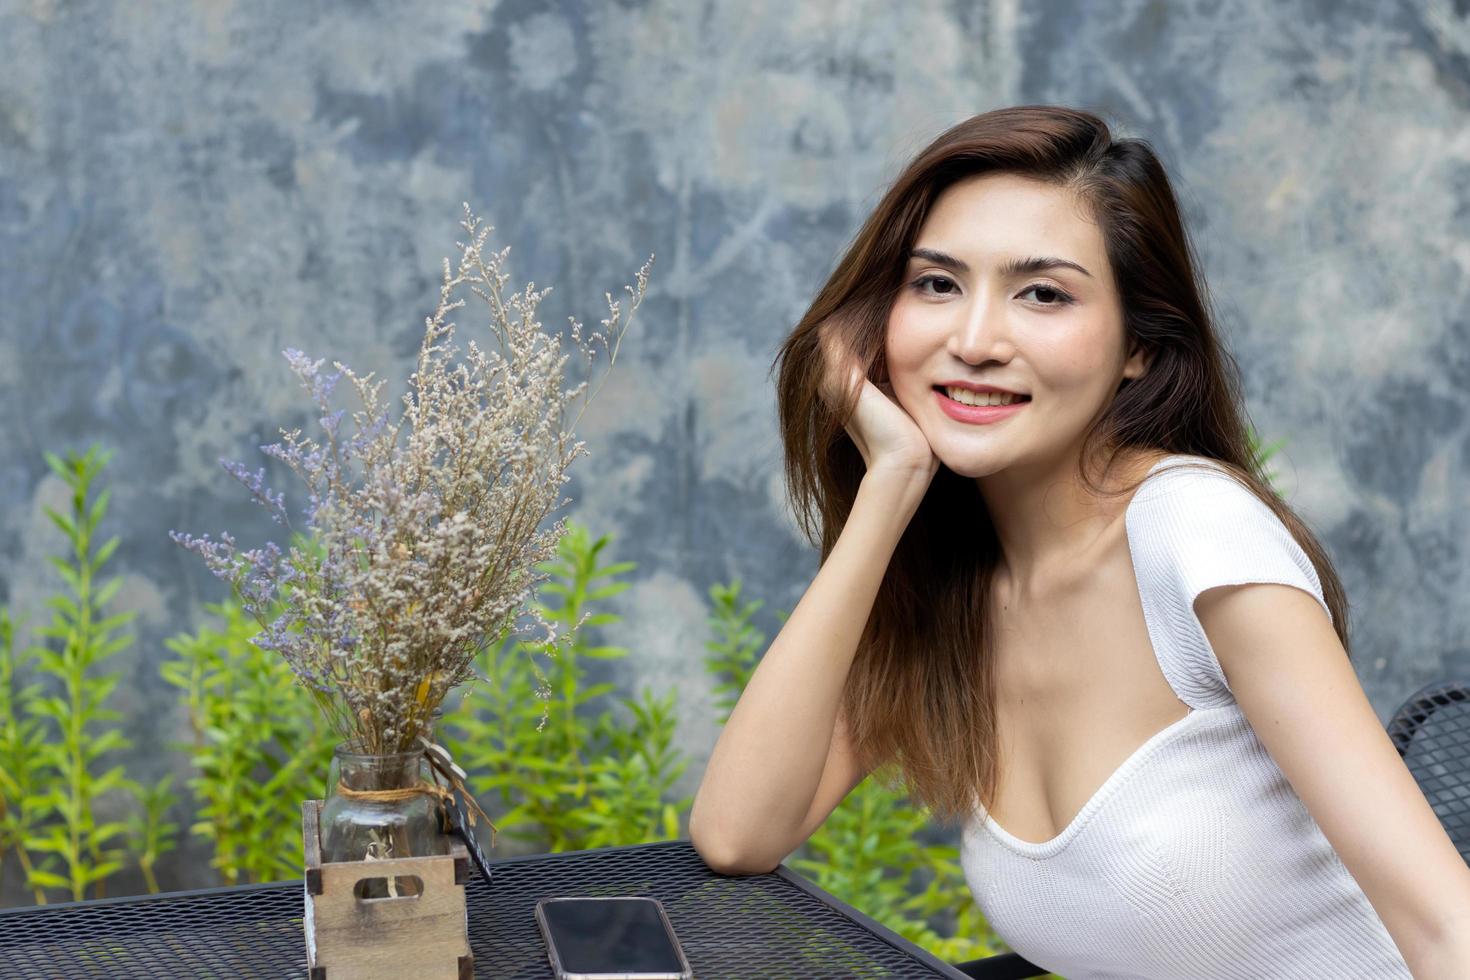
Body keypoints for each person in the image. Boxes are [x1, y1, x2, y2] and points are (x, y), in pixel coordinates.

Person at [687, 105, 1470, 977]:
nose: (974, 341)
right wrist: (892, 484)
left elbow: (1447, 927)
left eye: (1044, 294)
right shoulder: (955, 582)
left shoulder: (1197, 536)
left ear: (1139, 343)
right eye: (936, 284)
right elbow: (737, 833)